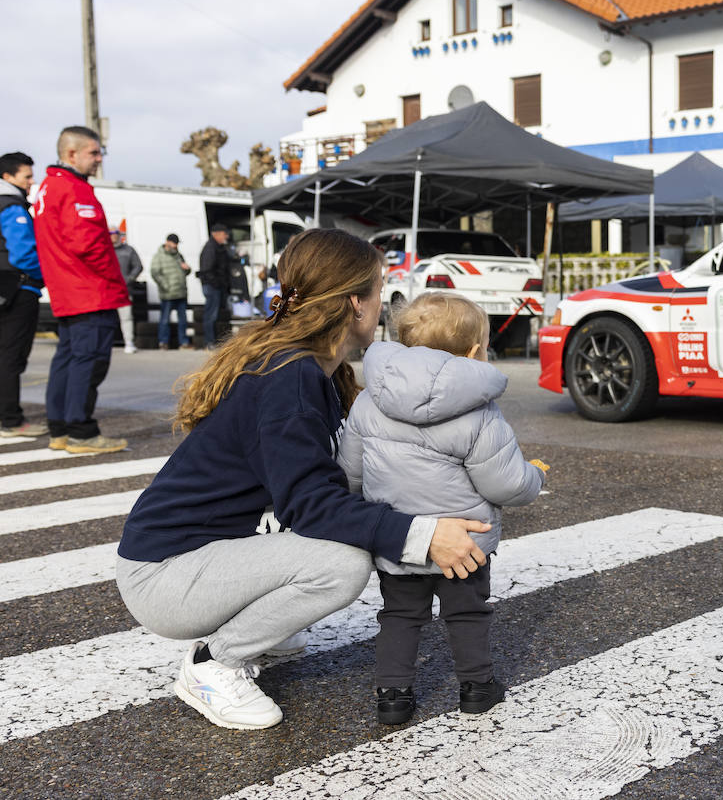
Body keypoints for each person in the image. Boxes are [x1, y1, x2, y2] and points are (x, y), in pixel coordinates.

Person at [115, 228, 493, 731]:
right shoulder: (290, 378)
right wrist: (422, 537)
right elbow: (312, 507)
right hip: (164, 575)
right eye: (380, 291)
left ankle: (259, 631)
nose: (384, 306)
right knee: (341, 564)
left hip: (193, 558)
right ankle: (213, 665)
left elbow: (328, 485)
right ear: (355, 303)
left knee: (337, 546)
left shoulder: (309, 368)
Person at [339, 293, 546, 725]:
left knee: (399, 615)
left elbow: (350, 473)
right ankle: (476, 687)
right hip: (465, 542)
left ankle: (393, 696)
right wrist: (536, 477)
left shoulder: (367, 401)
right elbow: (505, 483)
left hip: (398, 538)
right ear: (473, 352)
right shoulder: (479, 412)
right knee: (467, 613)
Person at [31, 126, 129, 455]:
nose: (99, 159)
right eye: (95, 152)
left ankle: (60, 428)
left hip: (66, 289)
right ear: (72, 154)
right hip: (89, 289)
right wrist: (116, 281)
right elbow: (88, 244)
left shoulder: (47, 187)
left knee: (68, 359)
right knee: (89, 361)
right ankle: (81, 431)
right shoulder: (75, 189)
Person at [0, 152, 46, 438]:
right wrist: (45, 275)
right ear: (8, 177)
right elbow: (24, 253)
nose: (32, 181)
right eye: (27, 176)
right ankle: (11, 420)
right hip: (18, 288)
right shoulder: (12, 206)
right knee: (11, 356)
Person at [149, 233, 191, 350]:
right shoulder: (159, 256)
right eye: (174, 243)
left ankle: (184, 342)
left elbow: (184, 271)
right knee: (165, 319)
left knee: (183, 320)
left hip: (181, 293)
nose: (176, 246)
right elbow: (155, 273)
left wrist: (187, 269)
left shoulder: (178, 255)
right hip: (168, 294)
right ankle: (163, 342)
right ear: (168, 242)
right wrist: (166, 286)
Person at [198, 224, 231, 349]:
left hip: (216, 286)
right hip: (212, 286)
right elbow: (207, 270)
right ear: (215, 233)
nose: (226, 236)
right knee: (211, 315)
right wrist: (217, 283)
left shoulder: (219, 247)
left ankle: (214, 340)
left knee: (216, 315)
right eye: (224, 233)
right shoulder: (210, 248)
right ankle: (209, 341)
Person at [111, 227, 143, 354]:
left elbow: (138, 266)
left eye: (114, 233)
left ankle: (129, 342)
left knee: (126, 317)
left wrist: (129, 279)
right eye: (110, 233)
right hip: (107, 291)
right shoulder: (103, 249)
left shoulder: (128, 250)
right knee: (106, 319)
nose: (112, 236)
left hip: (124, 290)